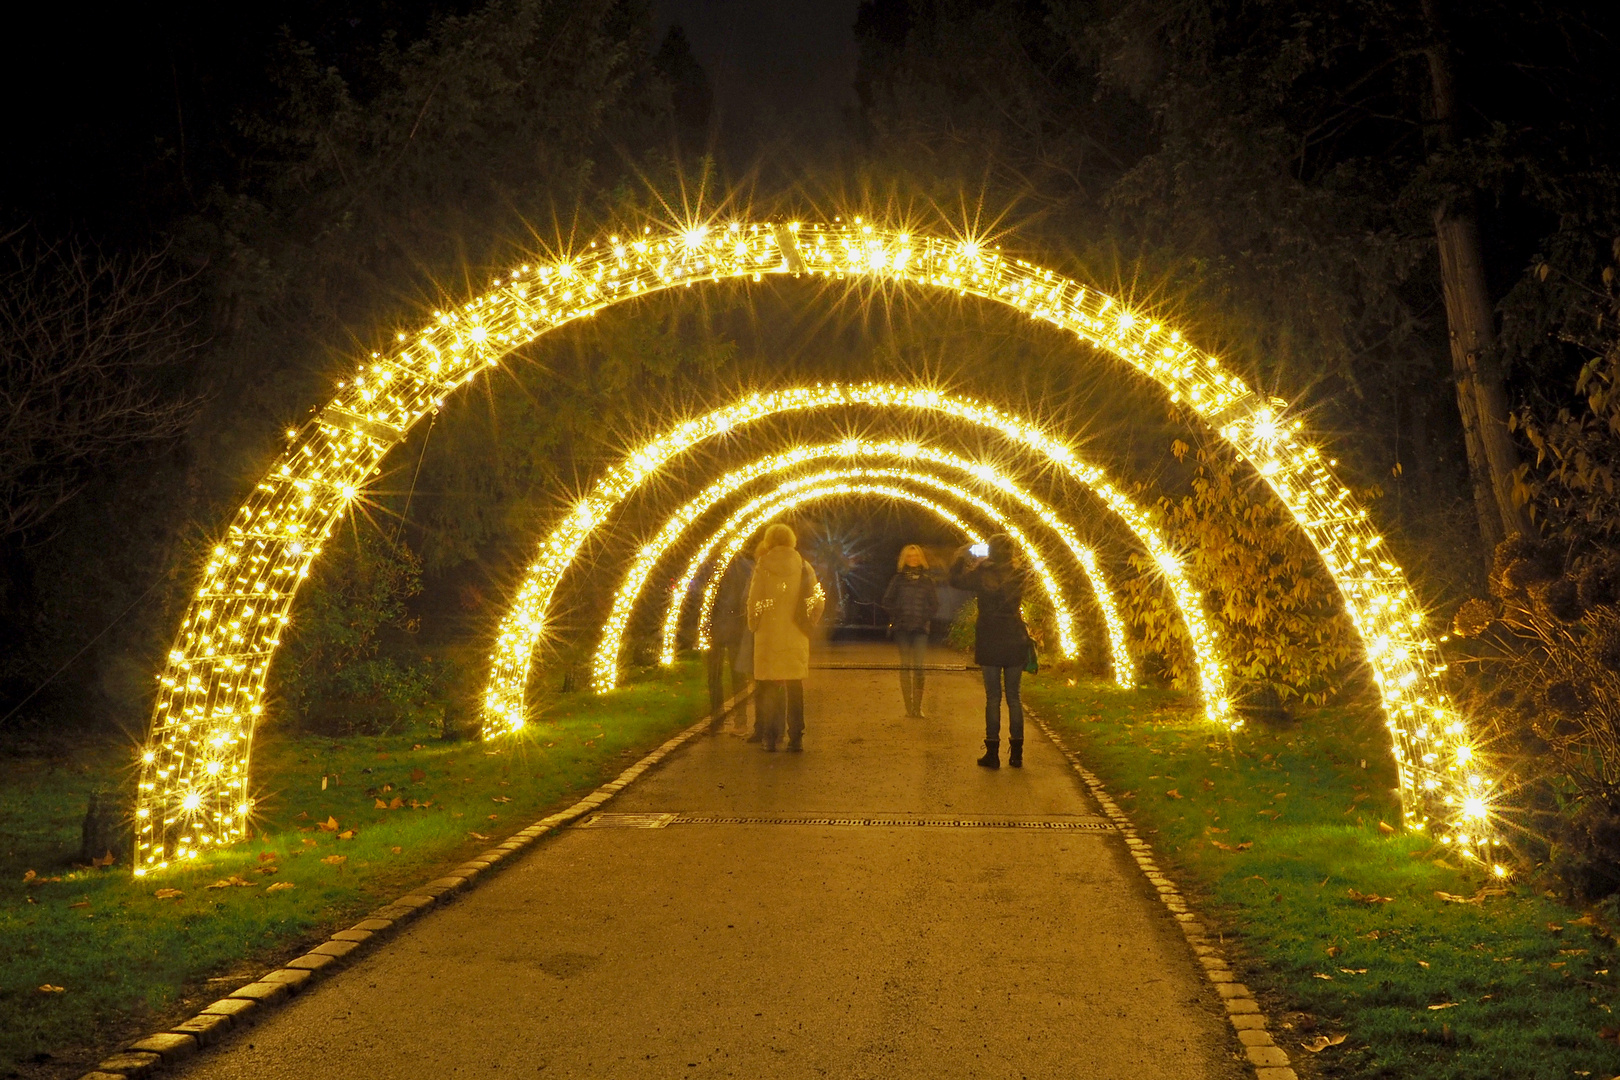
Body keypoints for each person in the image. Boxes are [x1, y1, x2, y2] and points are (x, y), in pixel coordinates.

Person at [949, 534, 1031, 769]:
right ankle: (1016, 754)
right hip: (1014, 634)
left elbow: (955, 580)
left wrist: (960, 557)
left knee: (993, 696)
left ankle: (992, 753)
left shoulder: (981, 573)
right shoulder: (1019, 573)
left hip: (989, 636)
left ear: (991, 551)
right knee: (1014, 696)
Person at [747, 523, 825, 752]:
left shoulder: (762, 565)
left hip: (769, 634)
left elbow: (754, 600)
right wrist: (809, 621)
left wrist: (755, 623)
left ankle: (770, 738)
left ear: (769, 541)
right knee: (794, 686)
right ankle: (796, 737)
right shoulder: (803, 566)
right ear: (791, 540)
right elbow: (817, 599)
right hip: (795, 633)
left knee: (771, 687)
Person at [881, 544, 939, 718]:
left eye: (915, 556)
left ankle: (917, 707)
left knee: (919, 666)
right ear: (904, 559)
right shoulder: (898, 580)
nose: (913, 559)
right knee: (905, 665)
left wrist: (925, 616)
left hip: (920, 628)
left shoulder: (927, 581)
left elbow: (934, 604)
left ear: (920, 558)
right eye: (909, 556)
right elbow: (887, 600)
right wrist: (898, 615)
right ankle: (908, 707)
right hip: (903, 628)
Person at [707, 557, 752, 733]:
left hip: (727, 626)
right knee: (724, 674)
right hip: (725, 627)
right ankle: (728, 719)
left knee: (728, 674)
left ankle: (726, 719)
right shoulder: (740, 565)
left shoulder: (737, 566)